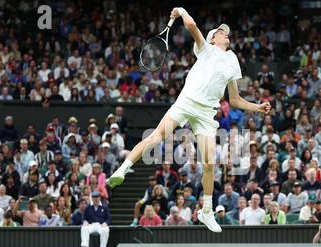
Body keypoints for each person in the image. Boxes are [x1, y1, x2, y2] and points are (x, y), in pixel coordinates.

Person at [106, 7, 271, 234]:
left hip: (206, 114)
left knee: (209, 164)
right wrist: (181, 10)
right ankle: (123, 169)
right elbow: (191, 26)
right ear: (213, 38)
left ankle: (206, 211)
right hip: (186, 102)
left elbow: (234, 99)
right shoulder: (204, 48)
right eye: (222, 32)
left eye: (226, 32)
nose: (226, 34)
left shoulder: (232, 60)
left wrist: (258, 107)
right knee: (156, 136)